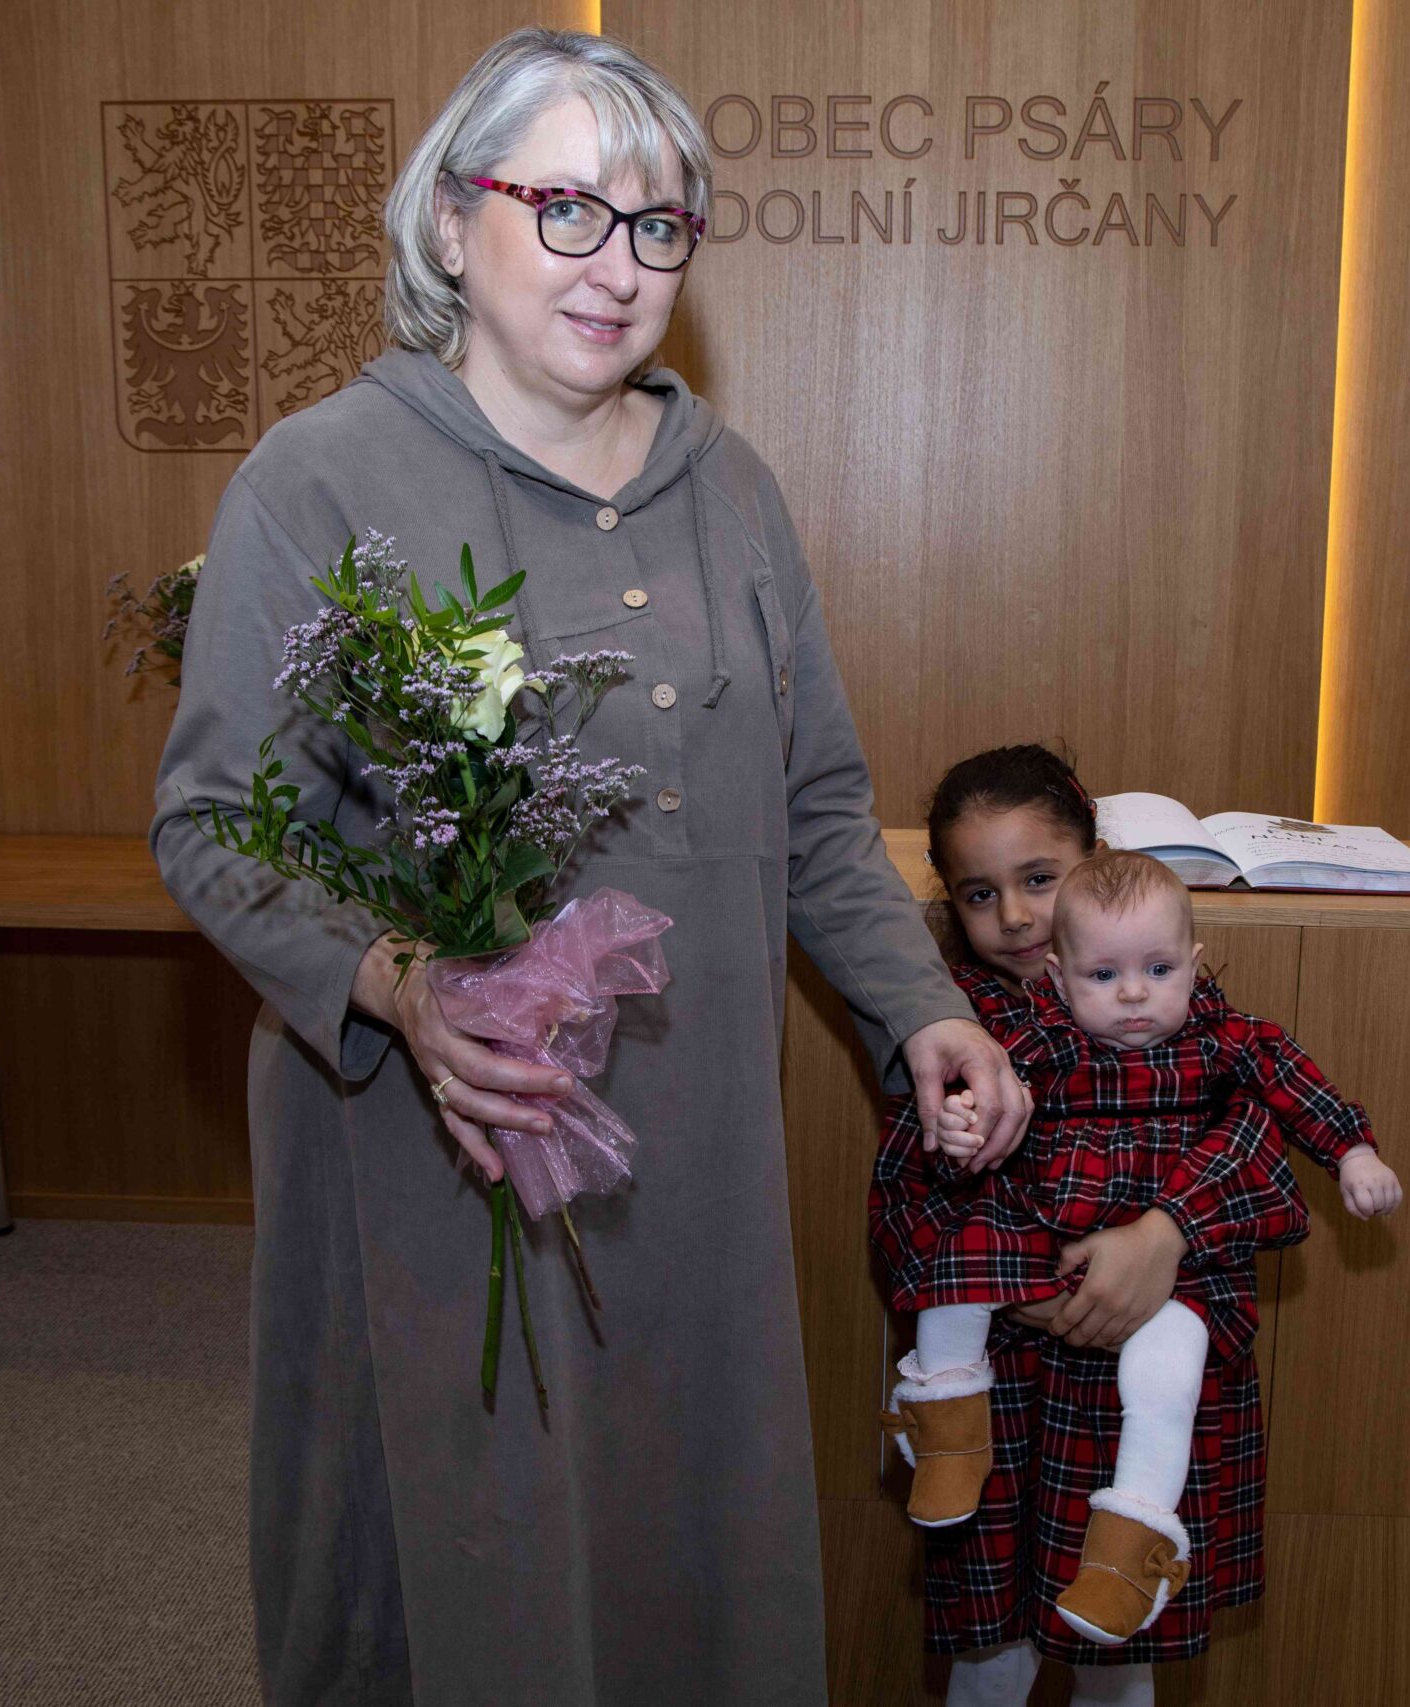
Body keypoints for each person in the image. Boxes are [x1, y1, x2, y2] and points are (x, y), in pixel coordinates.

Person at [150, 29, 1026, 1706]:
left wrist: (921, 1009)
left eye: (658, 225)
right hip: (442, 1133)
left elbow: (818, 804)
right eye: (565, 209)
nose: (616, 265)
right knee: (471, 1532)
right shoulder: (318, 477)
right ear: (450, 220)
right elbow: (212, 822)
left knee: (691, 1514)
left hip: (699, 1135)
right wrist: (401, 982)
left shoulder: (733, 490)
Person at [869, 748, 1400, 1705]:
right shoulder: (950, 1024)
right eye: (982, 893)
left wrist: (1165, 1232)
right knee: (992, 1646)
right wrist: (1017, 1282)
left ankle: (1132, 1546)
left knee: (1116, 1648)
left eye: (1041, 878)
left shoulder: (1181, 1013)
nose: (1017, 915)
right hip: (1008, 1380)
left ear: (1098, 860)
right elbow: (910, 1191)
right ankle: (943, 1427)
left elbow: (1256, 1137)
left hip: (1136, 1375)